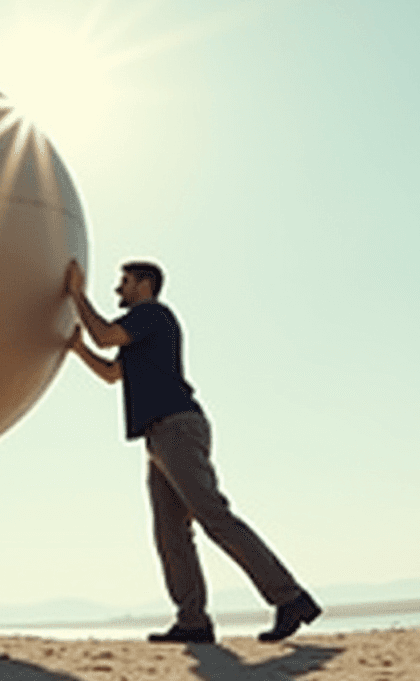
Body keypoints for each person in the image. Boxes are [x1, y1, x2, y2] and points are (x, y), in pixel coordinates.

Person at [63, 259, 320, 644]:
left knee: (214, 516)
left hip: (177, 426)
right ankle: (193, 621)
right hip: (157, 436)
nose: (118, 291)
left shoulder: (153, 315)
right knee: (170, 533)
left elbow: (104, 335)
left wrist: (76, 294)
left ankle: (291, 598)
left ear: (145, 285)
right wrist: (76, 348)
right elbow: (112, 374)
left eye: (125, 283)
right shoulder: (138, 329)